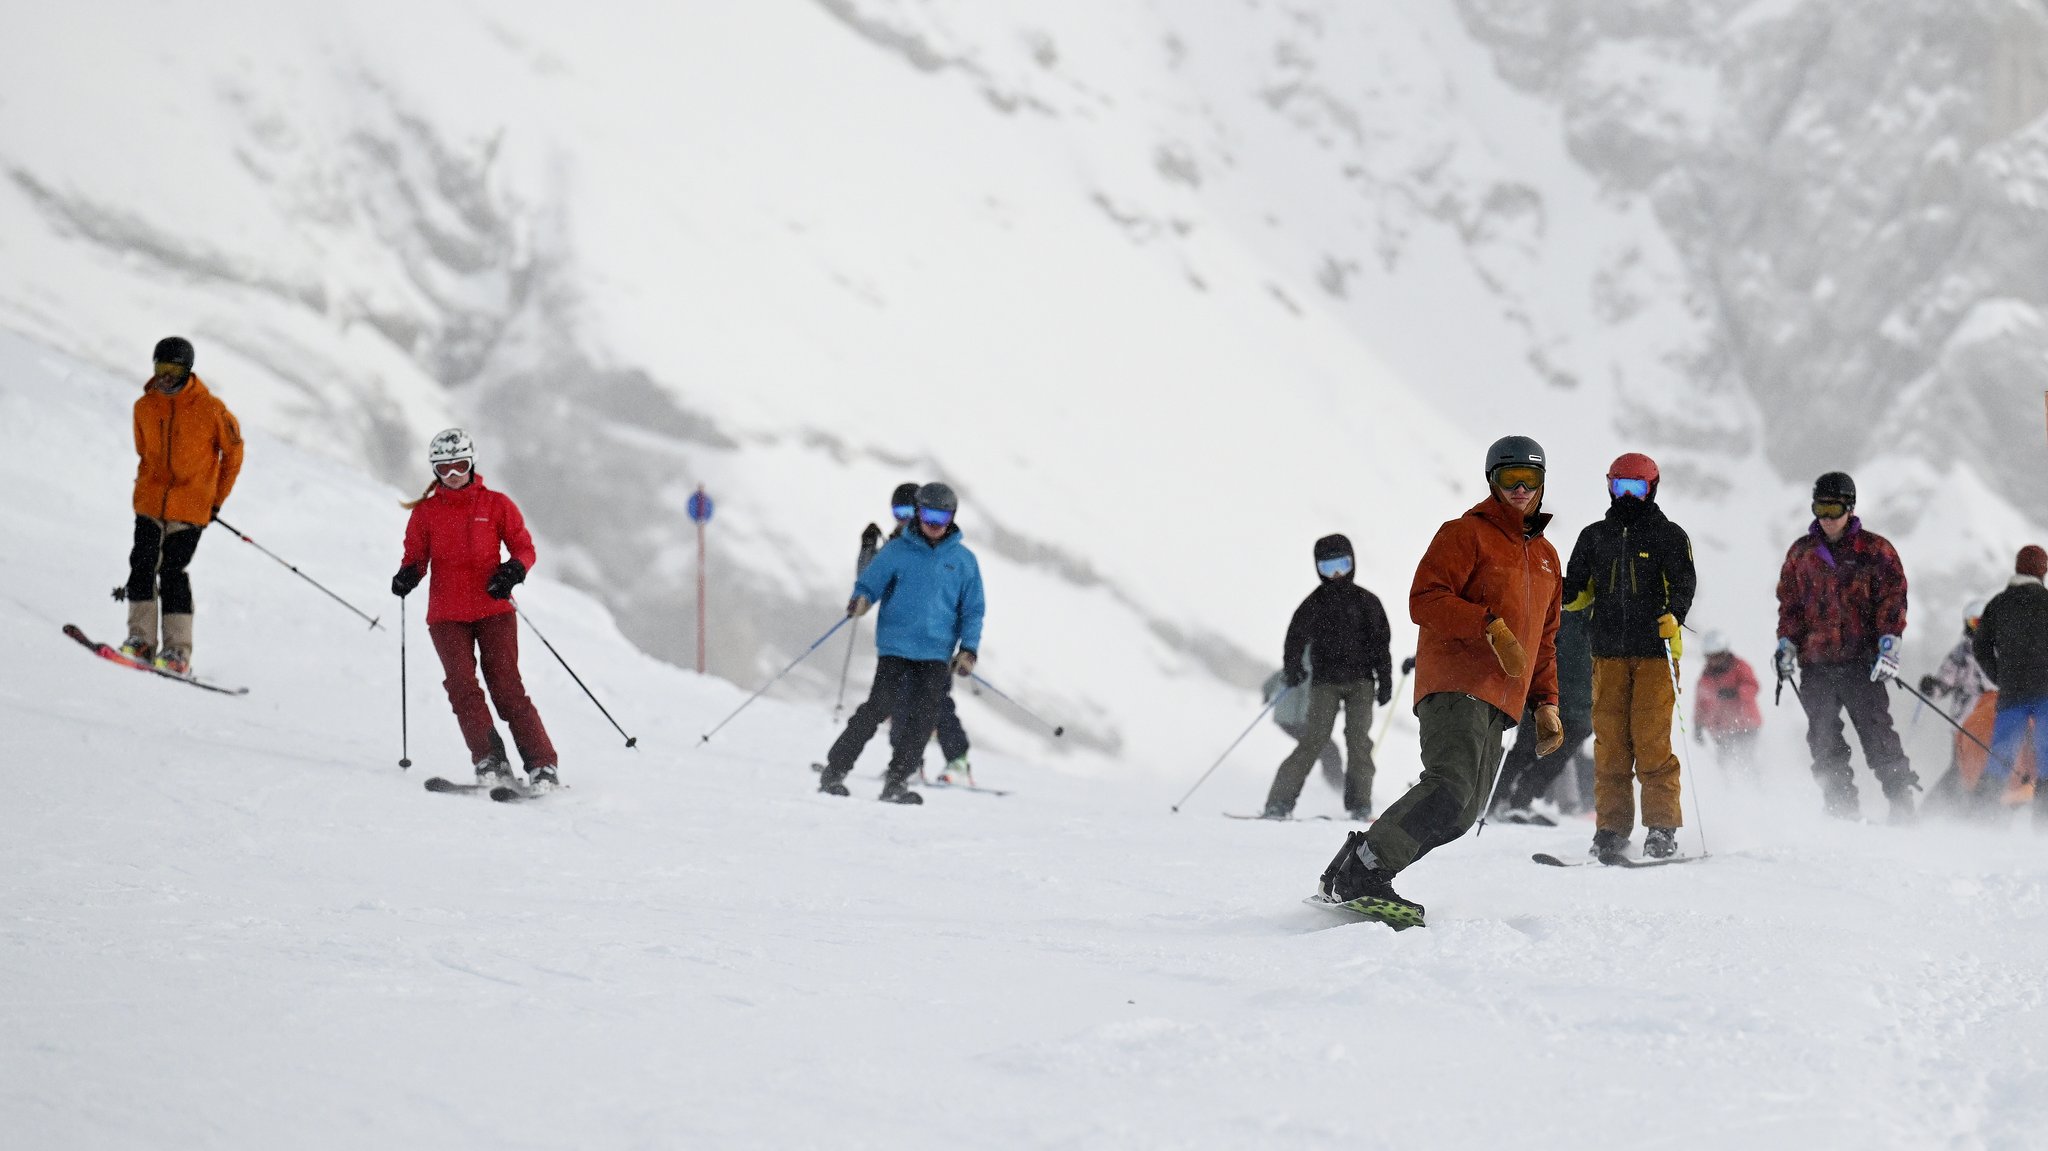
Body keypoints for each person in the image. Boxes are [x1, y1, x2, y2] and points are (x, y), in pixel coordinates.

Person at [1317, 436, 1563, 928]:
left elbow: (1545, 639)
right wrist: (1487, 625)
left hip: (1502, 701)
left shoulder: (1548, 558)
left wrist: (1546, 703)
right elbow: (1424, 598)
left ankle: (1353, 866)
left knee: (1462, 812)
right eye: (1509, 478)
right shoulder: (1465, 534)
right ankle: (1365, 871)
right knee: (1450, 787)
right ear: (1492, 480)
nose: (1519, 488)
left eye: (1530, 479)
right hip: (1458, 682)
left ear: (1541, 484)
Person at [390, 429, 560, 792]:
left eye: (460, 466)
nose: (453, 475)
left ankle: (542, 764)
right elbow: (416, 558)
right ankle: (490, 761)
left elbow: (524, 548)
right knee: (462, 688)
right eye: (444, 468)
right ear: (435, 471)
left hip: (493, 608)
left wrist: (513, 570)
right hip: (446, 615)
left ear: (472, 464)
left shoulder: (497, 505)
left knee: (506, 687)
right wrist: (408, 575)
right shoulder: (426, 513)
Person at [819, 482, 985, 805]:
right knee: (878, 708)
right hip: (896, 647)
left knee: (925, 718)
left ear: (952, 517)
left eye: (943, 516)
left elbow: (973, 609)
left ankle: (897, 781)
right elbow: (870, 582)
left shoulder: (964, 561)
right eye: (928, 515)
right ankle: (835, 770)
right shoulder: (897, 551)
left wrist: (968, 650)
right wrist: (862, 599)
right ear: (918, 512)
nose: (934, 524)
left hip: (936, 653)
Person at [1774, 471, 1918, 821]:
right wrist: (1786, 644)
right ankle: (1841, 808)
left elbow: (1893, 598)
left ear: (1849, 508)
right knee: (1822, 737)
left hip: (1862, 661)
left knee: (1877, 733)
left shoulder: (1875, 550)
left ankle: (1901, 802)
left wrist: (1889, 643)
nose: (1826, 517)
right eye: (1820, 507)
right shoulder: (1801, 553)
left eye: (1833, 508)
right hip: (1816, 663)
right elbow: (1790, 605)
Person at [120, 336, 244, 676]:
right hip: (149, 503)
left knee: (172, 573)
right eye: (161, 369)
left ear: (188, 371)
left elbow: (233, 454)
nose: (166, 377)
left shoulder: (211, 408)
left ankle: (177, 651)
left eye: (174, 371)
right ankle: (140, 641)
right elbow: (143, 452)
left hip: (191, 509)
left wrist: (215, 501)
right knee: (142, 566)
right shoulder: (144, 407)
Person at [1261, 535, 1392, 820]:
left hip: (1361, 683)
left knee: (1358, 742)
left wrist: (1385, 680)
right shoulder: (1313, 604)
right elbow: (1294, 639)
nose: (1335, 575)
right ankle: (1278, 803)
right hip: (1325, 683)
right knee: (1314, 739)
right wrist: (1292, 668)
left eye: (1342, 565)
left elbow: (1381, 644)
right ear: (1318, 568)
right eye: (1328, 566)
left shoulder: (1367, 602)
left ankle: (1360, 804)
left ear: (1352, 563)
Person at [1970, 546, 2048, 820]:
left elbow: (1979, 646)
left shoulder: (1997, 604)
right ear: (2043, 571)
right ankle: (2043, 828)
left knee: (2001, 757)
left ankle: (1980, 821)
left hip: (2011, 694)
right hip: (2045, 695)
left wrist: (1999, 676)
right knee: (2046, 757)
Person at [1494, 608, 1594, 821]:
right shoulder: (1563, 614)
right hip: (1548, 699)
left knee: (1552, 759)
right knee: (1527, 752)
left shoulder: (1604, 618)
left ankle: (1519, 798)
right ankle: (1497, 799)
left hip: (1577, 706)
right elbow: (1537, 648)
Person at [1263, 662, 1345, 792]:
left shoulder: (1299, 659)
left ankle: (1338, 787)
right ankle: (1339, 789)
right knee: (1327, 750)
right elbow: (1311, 694)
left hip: (1287, 720)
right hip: (1295, 720)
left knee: (1324, 749)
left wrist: (1266, 693)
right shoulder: (1311, 665)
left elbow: (1275, 678)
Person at [1693, 631, 1762, 771]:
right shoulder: (1705, 677)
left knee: (1746, 761)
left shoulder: (1739, 666)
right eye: (1710, 657)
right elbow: (1701, 703)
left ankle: (1756, 788)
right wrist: (1698, 725)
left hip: (1745, 725)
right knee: (1725, 764)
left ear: (1725, 652)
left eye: (1717, 656)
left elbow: (1753, 686)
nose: (1714, 661)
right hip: (1721, 728)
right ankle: (1731, 790)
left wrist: (1736, 692)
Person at [1920, 600, 1992, 722]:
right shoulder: (1960, 654)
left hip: (1993, 714)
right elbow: (1945, 682)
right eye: (1975, 623)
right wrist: (1932, 687)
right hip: (1967, 717)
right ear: (1968, 625)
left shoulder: (2000, 651)